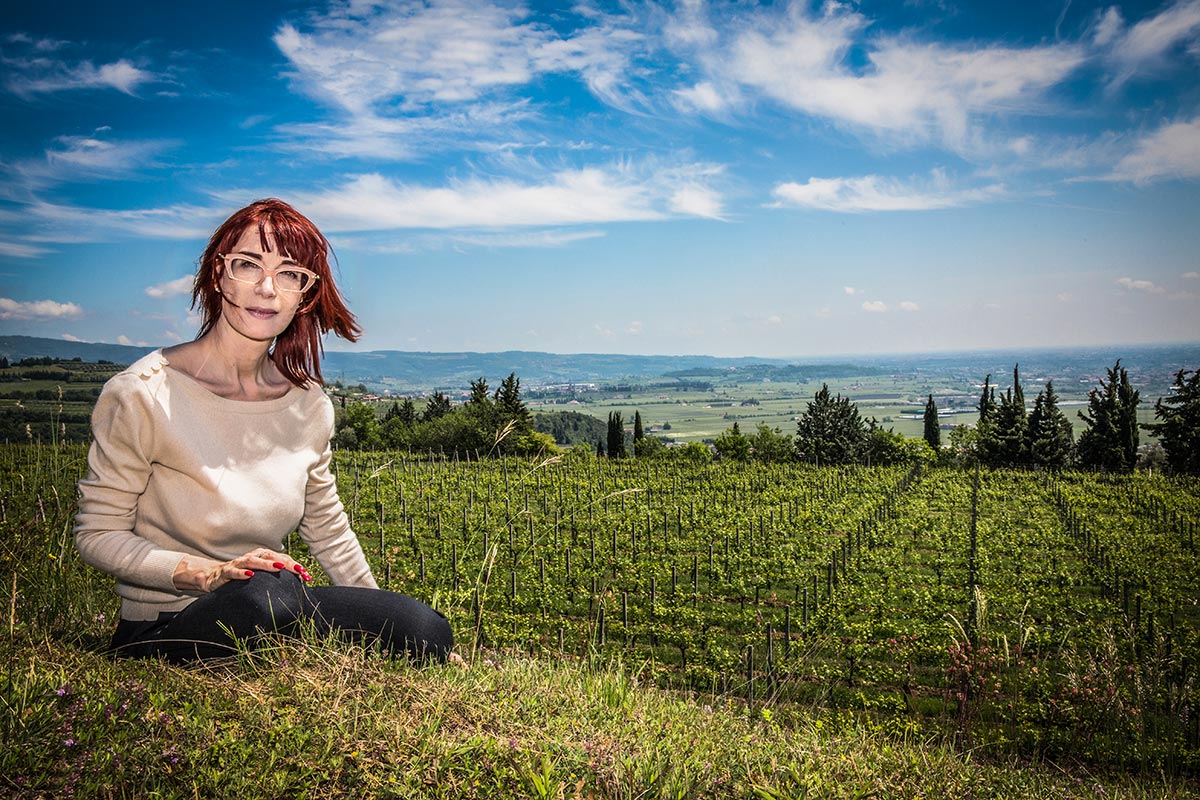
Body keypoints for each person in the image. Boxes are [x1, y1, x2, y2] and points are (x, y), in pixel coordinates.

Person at [74, 198, 456, 665]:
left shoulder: (307, 403)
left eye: (290, 273)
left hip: (279, 604)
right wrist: (209, 574)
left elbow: (328, 528)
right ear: (219, 275)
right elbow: (97, 534)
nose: (267, 288)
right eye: (248, 265)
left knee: (425, 629)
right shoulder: (142, 393)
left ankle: (296, 637)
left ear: (304, 295)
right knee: (264, 595)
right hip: (172, 620)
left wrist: (381, 615)